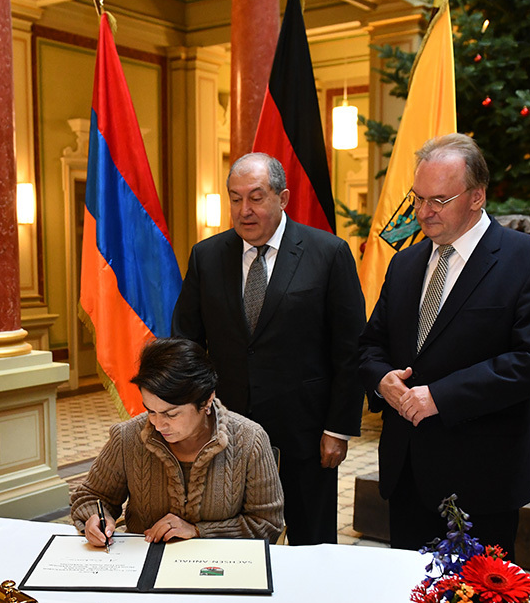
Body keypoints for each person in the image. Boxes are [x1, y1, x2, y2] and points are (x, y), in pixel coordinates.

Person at [358, 133, 530, 557]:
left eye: (439, 200)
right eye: (418, 199)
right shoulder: (405, 263)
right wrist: (382, 381)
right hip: (407, 471)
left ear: (477, 196)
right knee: (407, 592)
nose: (423, 212)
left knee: (477, 597)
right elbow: (370, 345)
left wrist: (439, 396)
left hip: (482, 477)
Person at [172, 153, 364, 545]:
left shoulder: (328, 253)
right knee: (232, 544)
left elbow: (349, 349)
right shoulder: (207, 256)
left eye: (256, 197)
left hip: (306, 436)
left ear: (283, 198)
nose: (245, 210)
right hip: (226, 434)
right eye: (236, 198)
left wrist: (338, 429)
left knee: (311, 547)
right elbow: (186, 343)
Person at [70, 337, 283, 544]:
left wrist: (198, 531)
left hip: (220, 564)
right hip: (145, 558)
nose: (158, 424)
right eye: (151, 411)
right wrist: (96, 517)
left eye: (171, 414)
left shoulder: (250, 440)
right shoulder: (128, 437)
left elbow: (266, 524)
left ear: (206, 400)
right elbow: (91, 496)